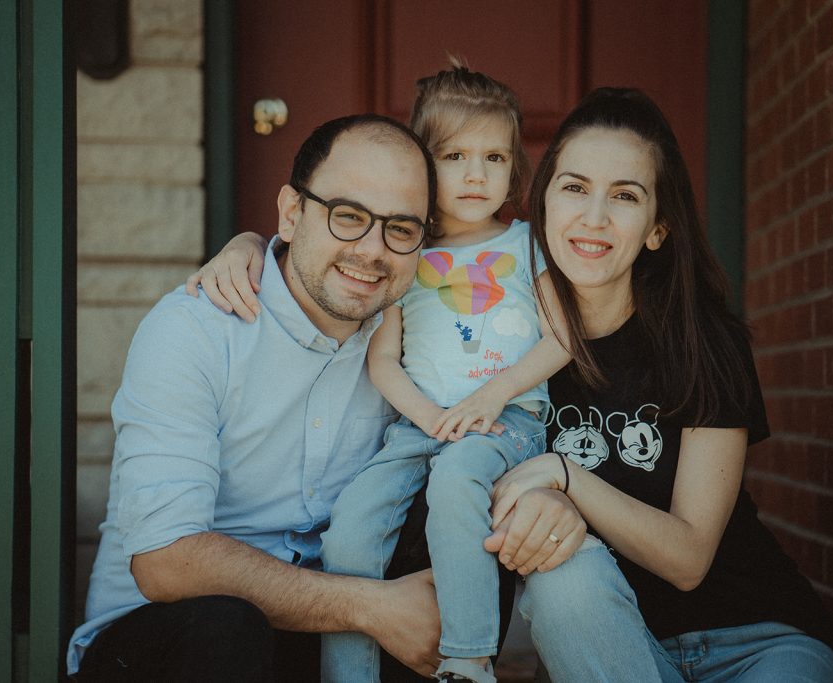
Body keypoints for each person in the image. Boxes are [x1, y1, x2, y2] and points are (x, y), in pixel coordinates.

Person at [201, 88, 833, 683]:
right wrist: (255, 246)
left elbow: (688, 558)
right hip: (612, 646)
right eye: (574, 188)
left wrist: (565, 478)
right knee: (562, 565)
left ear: (658, 226)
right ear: (540, 204)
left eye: (625, 195)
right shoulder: (502, 341)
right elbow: (348, 270)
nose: (594, 216)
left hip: (759, 641)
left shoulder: (702, 343)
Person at [192, 62, 571, 683]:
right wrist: (427, 417)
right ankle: (349, 674)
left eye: (495, 158)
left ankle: (469, 660)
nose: (477, 175)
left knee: (455, 488)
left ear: (513, 167)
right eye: (454, 156)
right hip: (419, 427)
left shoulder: (528, 244)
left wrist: (492, 396)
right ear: (423, 169)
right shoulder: (405, 250)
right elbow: (382, 359)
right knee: (350, 533)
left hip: (506, 424)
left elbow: (563, 339)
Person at [68, 114, 450, 682]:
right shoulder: (196, 330)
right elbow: (167, 563)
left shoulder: (414, 336)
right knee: (230, 630)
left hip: (315, 630)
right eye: (348, 217)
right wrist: (373, 608)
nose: (373, 250)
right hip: (167, 639)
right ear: (292, 214)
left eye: (401, 228)